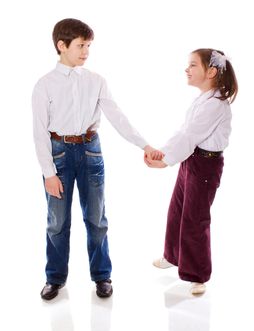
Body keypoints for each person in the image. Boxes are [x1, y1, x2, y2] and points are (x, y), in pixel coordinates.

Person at [32, 18, 162, 301]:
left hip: (91, 151)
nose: (86, 51)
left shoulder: (96, 81)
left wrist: (144, 144)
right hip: (59, 154)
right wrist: (48, 173)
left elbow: (117, 117)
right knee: (57, 221)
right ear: (61, 45)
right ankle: (55, 278)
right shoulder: (44, 85)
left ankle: (102, 276)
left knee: (96, 218)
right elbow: (39, 132)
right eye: (81, 45)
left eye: (89, 45)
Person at [145, 48, 238, 295]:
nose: (187, 69)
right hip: (191, 159)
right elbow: (183, 131)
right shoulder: (202, 99)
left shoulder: (216, 104)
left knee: (195, 218)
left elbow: (190, 135)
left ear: (211, 71)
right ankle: (172, 255)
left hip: (206, 165)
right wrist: (162, 153)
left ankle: (197, 274)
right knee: (177, 210)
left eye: (192, 65)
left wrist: (165, 161)